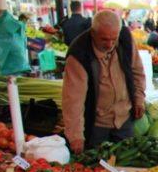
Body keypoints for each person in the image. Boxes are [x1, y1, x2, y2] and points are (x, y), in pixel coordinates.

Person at [62, 10, 146, 154]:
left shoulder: (125, 38)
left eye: (114, 39)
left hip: (124, 119)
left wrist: (139, 99)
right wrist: (75, 136)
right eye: (104, 39)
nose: (110, 44)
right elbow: (73, 99)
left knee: (126, 167)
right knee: (98, 167)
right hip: (96, 125)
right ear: (93, 33)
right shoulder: (79, 54)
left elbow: (137, 71)